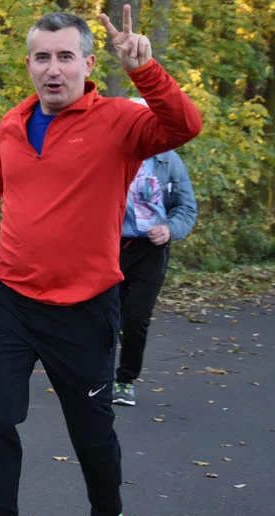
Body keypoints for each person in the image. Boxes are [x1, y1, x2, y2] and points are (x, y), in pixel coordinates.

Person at [0, 7, 202, 516]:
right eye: (43, 57)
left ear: (87, 63)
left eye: (65, 57)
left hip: (84, 309)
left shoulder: (120, 122)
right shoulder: (13, 123)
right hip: (10, 300)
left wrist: (144, 71)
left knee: (91, 435)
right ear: (30, 65)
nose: (53, 69)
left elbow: (185, 126)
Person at [113, 110, 197, 406]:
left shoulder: (168, 161)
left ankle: (124, 381)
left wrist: (169, 229)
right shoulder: (110, 156)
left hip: (151, 248)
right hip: (109, 245)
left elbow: (187, 209)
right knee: (105, 315)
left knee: (135, 318)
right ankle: (96, 379)